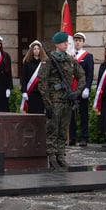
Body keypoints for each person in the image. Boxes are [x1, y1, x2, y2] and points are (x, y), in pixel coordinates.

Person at [38, 31, 85, 170]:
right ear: (57, 44)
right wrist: (47, 103)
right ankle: (52, 158)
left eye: (67, 42)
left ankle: (60, 156)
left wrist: (76, 93)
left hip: (67, 101)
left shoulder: (70, 60)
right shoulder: (49, 60)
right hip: (54, 101)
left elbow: (82, 76)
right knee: (52, 130)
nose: (67, 44)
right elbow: (42, 82)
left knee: (63, 130)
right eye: (64, 42)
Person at [69, 32, 95, 146]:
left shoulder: (87, 56)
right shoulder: (70, 55)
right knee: (71, 115)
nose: (77, 42)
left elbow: (90, 74)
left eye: (79, 40)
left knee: (83, 115)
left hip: (82, 89)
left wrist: (87, 88)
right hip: (71, 89)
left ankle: (84, 138)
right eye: (76, 40)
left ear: (83, 42)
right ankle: (72, 137)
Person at [20, 40, 46, 114]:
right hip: (31, 92)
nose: (36, 50)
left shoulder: (44, 62)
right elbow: (24, 77)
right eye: (34, 49)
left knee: (40, 113)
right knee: (31, 112)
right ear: (32, 50)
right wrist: (24, 91)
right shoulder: (27, 62)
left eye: (38, 49)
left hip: (41, 92)